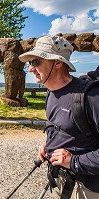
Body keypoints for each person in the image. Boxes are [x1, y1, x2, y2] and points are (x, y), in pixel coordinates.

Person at [19, 35, 99, 198]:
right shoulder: (51, 94)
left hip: (87, 189)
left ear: (57, 62)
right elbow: (64, 128)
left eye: (36, 62)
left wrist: (74, 161)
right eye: (30, 62)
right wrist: (49, 145)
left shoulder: (90, 97)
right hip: (61, 182)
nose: (31, 69)